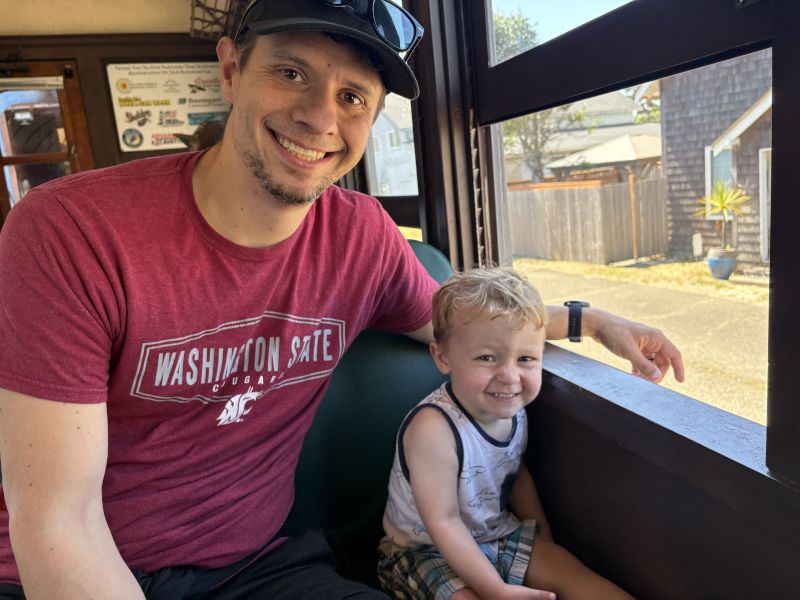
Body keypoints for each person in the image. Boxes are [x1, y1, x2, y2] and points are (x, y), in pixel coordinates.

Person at [0, 1, 683, 598]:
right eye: (291, 72)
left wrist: (591, 319)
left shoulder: (360, 237)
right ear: (232, 70)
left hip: (253, 570)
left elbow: (460, 317)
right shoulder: (71, 231)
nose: (320, 116)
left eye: (353, 96)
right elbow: (61, 522)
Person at [378, 268, 634, 600]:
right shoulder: (432, 429)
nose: (510, 376)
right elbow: (443, 521)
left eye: (526, 358)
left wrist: (542, 538)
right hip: (424, 551)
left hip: (497, 534)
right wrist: (497, 590)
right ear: (442, 356)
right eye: (487, 358)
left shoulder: (512, 410)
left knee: (577, 576)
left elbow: (514, 473)